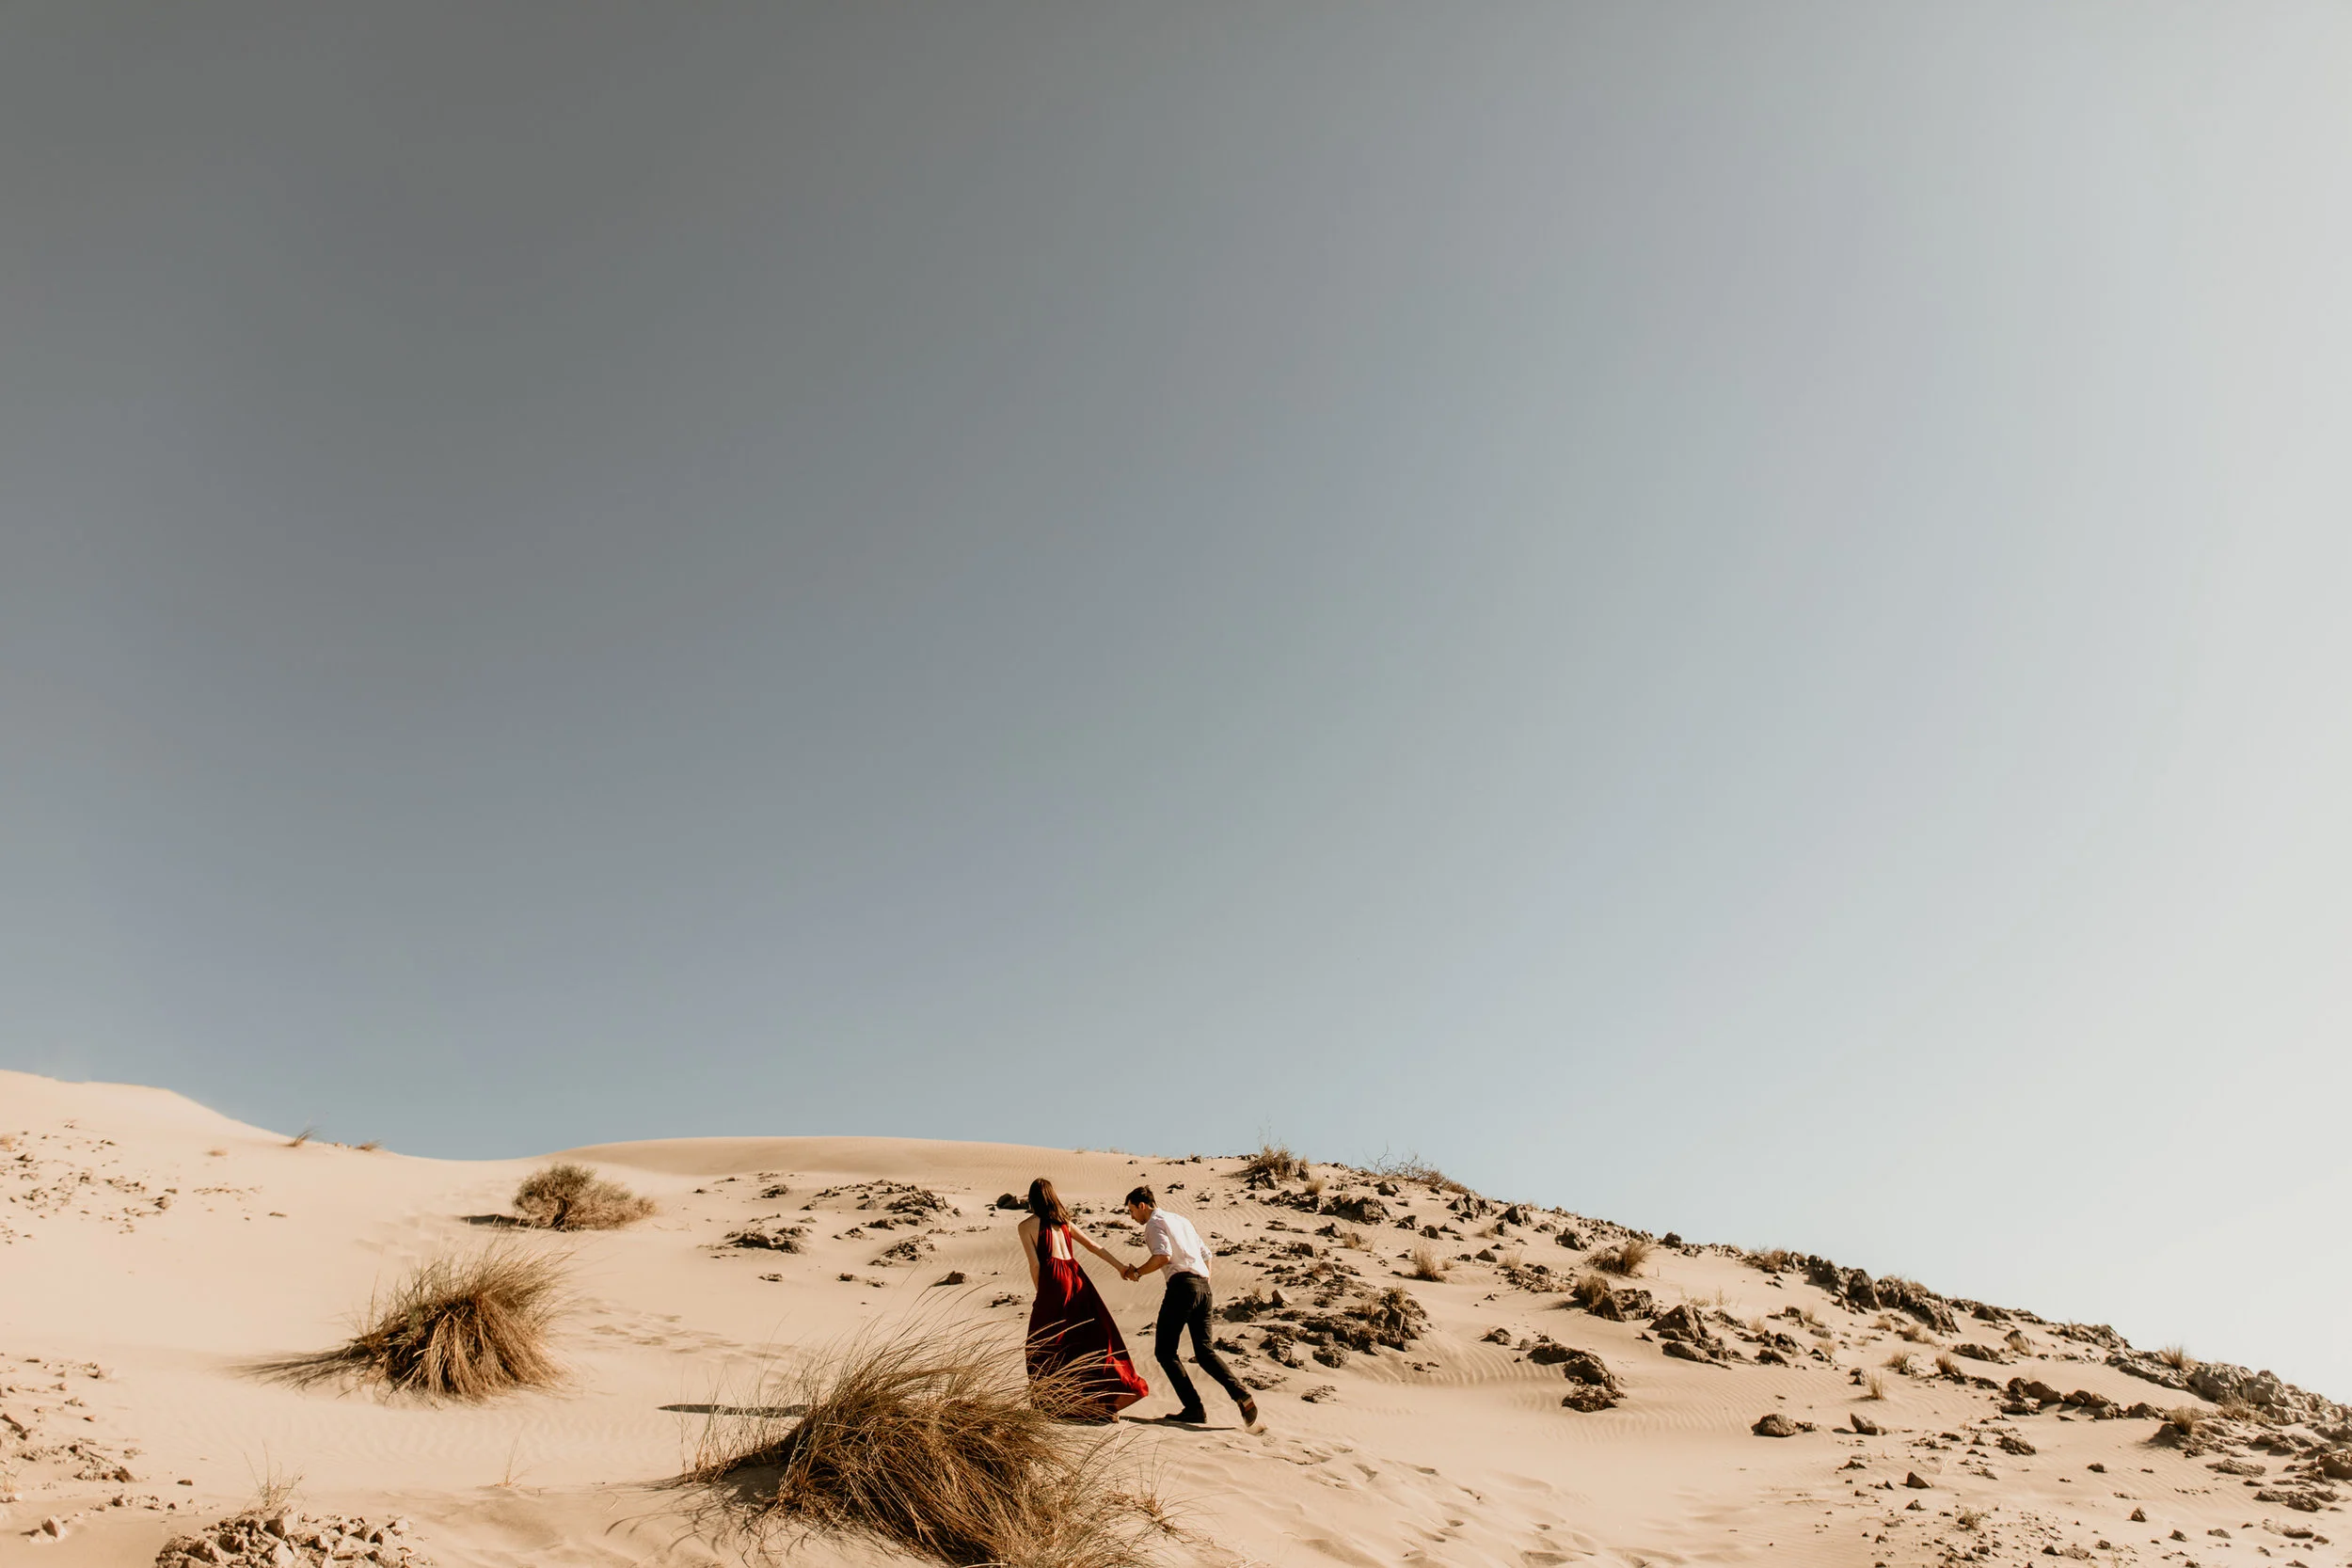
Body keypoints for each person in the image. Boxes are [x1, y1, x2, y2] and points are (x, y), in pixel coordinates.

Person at [1117, 1185, 1258, 1428]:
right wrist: (1204, 1280)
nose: (1132, 1217)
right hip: (1203, 1288)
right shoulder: (1180, 1219)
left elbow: (1163, 1256)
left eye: (1131, 1211)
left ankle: (1194, 1408)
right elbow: (1207, 1254)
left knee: (1164, 1351)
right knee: (1205, 1352)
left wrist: (1137, 1272)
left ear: (1142, 1205)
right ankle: (1242, 1396)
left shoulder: (1153, 1224)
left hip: (1182, 1287)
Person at [1018, 1177, 1150, 1420]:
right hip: (1077, 1279)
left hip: (1054, 1283)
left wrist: (1041, 1297)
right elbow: (1093, 1246)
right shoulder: (1064, 1222)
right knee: (1086, 1339)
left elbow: (1035, 1265)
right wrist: (1120, 1267)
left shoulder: (1026, 1226)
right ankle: (1100, 1401)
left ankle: (1052, 1404)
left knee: (1040, 1345)